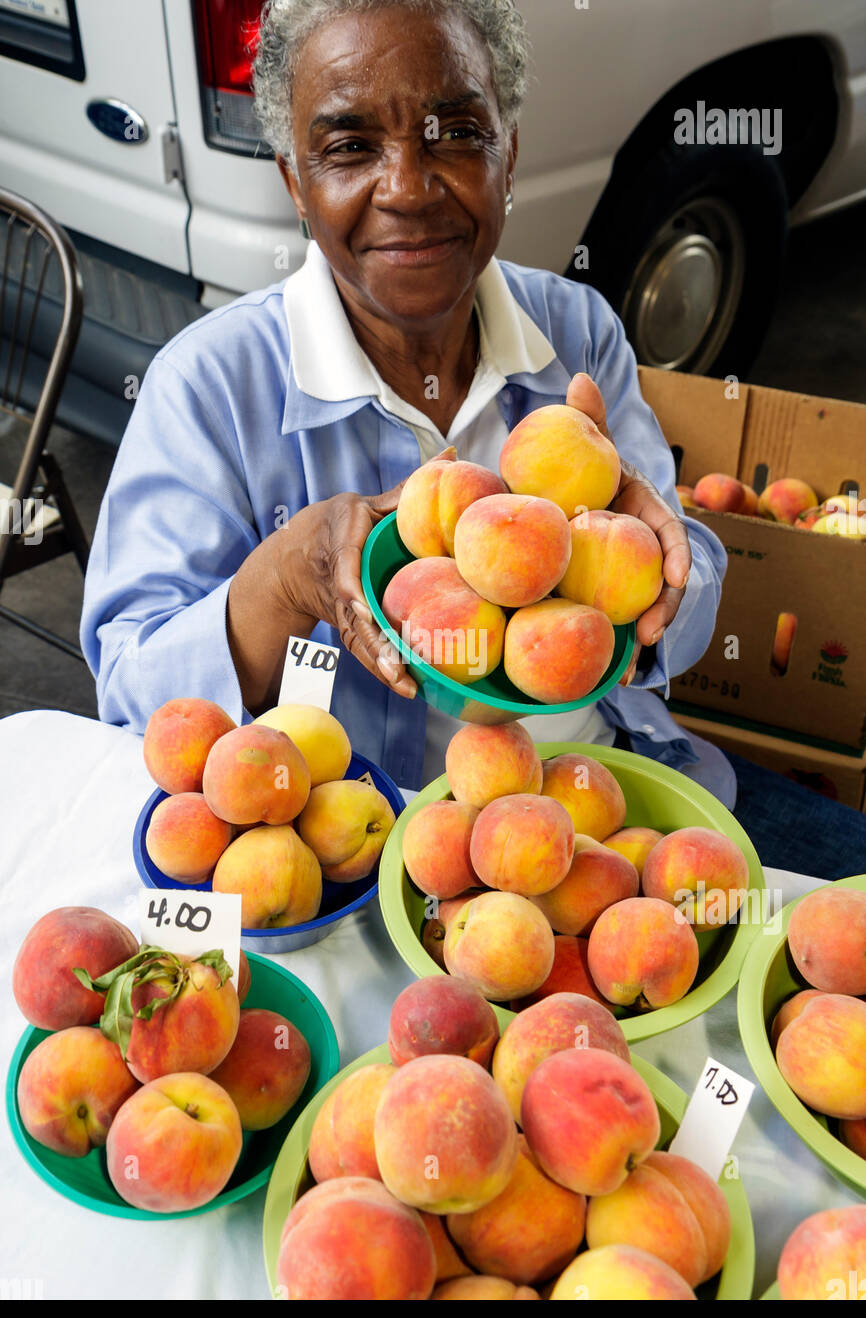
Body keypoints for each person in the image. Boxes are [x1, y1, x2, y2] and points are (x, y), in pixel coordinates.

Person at [80, 0, 865, 875]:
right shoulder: (212, 386)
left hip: (605, 797)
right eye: (349, 147)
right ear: (296, 184)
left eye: (456, 132)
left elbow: (691, 597)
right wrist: (283, 578)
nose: (409, 189)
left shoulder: (575, 328)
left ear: (508, 157)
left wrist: (659, 569)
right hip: (360, 855)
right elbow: (131, 691)